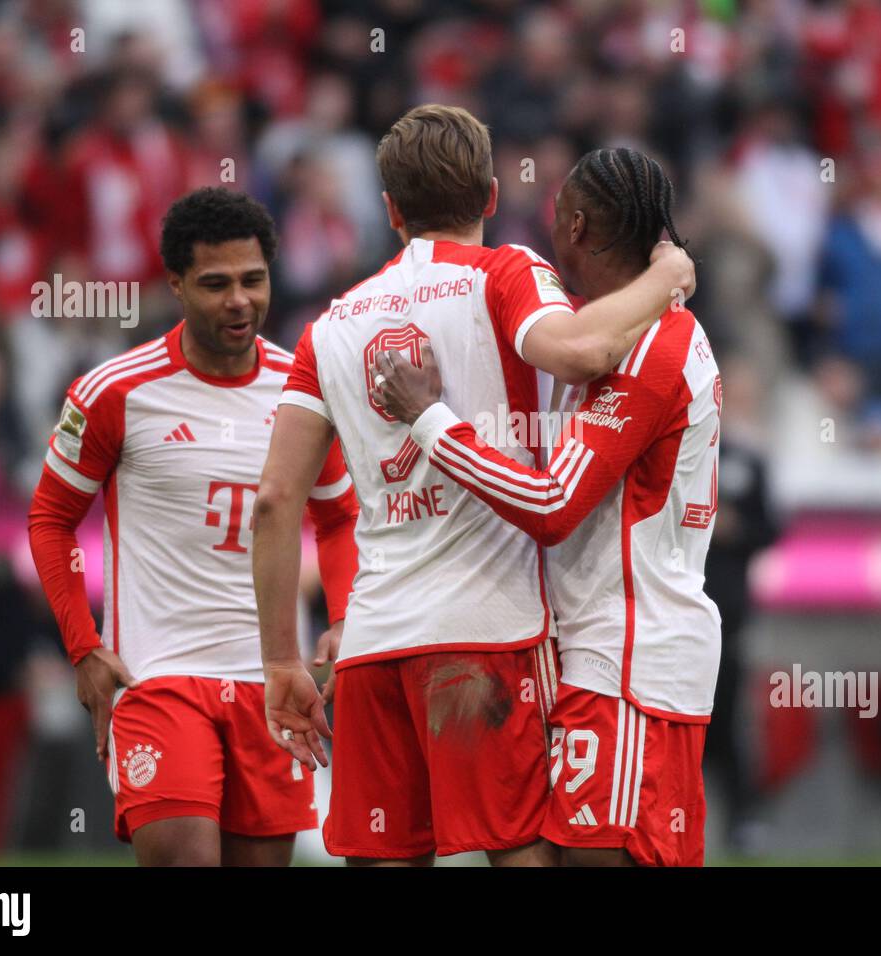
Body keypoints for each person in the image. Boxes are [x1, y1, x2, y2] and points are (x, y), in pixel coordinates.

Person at [253, 106, 694, 867]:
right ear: (491, 196)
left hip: (372, 640)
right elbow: (582, 349)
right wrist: (668, 275)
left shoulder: (329, 327)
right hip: (487, 633)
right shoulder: (508, 273)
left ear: (389, 210)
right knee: (518, 854)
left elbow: (272, 502)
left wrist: (281, 662)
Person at [371, 146, 720, 866]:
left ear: (580, 225)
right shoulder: (604, 331)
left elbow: (554, 502)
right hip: (593, 652)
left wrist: (429, 419)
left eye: (558, 215)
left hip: (632, 658)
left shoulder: (657, 344)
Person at [27, 188, 358, 866]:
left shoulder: (303, 392)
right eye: (215, 284)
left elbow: (339, 515)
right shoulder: (115, 392)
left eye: (252, 280)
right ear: (175, 283)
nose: (239, 300)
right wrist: (83, 648)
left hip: (271, 682)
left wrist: (347, 614)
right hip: (158, 678)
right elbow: (51, 519)